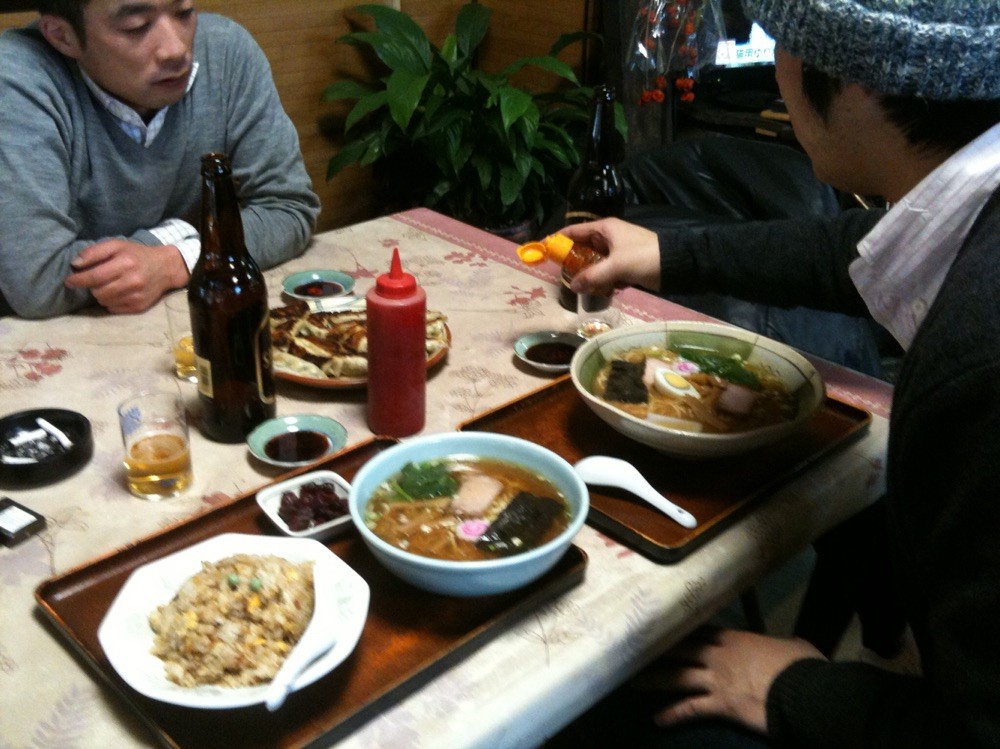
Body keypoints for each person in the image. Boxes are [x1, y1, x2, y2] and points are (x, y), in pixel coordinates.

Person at [558, 0, 1000, 746]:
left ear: (858, 81)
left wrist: (797, 690)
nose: (775, 71)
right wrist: (668, 252)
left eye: (784, 46)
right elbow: (857, 251)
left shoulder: (979, 362)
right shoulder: (972, 213)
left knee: (630, 694)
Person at [0, 1, 320, 318]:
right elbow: (36, 281)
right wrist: (197, 239)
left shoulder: (225, 51)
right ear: (62, 36)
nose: (176, 49)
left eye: (183, 12)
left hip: (182, 322)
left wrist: (175, 259)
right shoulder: (17, 78)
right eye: (136, 26)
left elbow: (287, 208)